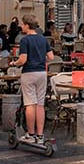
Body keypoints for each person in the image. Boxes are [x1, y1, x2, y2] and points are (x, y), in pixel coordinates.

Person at [11, 14, 54, 146]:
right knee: (40, 104)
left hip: (29, 73)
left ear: (27, 25)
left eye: (23, 24)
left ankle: (30, 134)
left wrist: (14, 64)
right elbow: (51, 57)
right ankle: (40, 135)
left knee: (30, 103)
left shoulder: (25, 40)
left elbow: (23, 59)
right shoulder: (43, 39)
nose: (21, 26)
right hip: (42, 73)